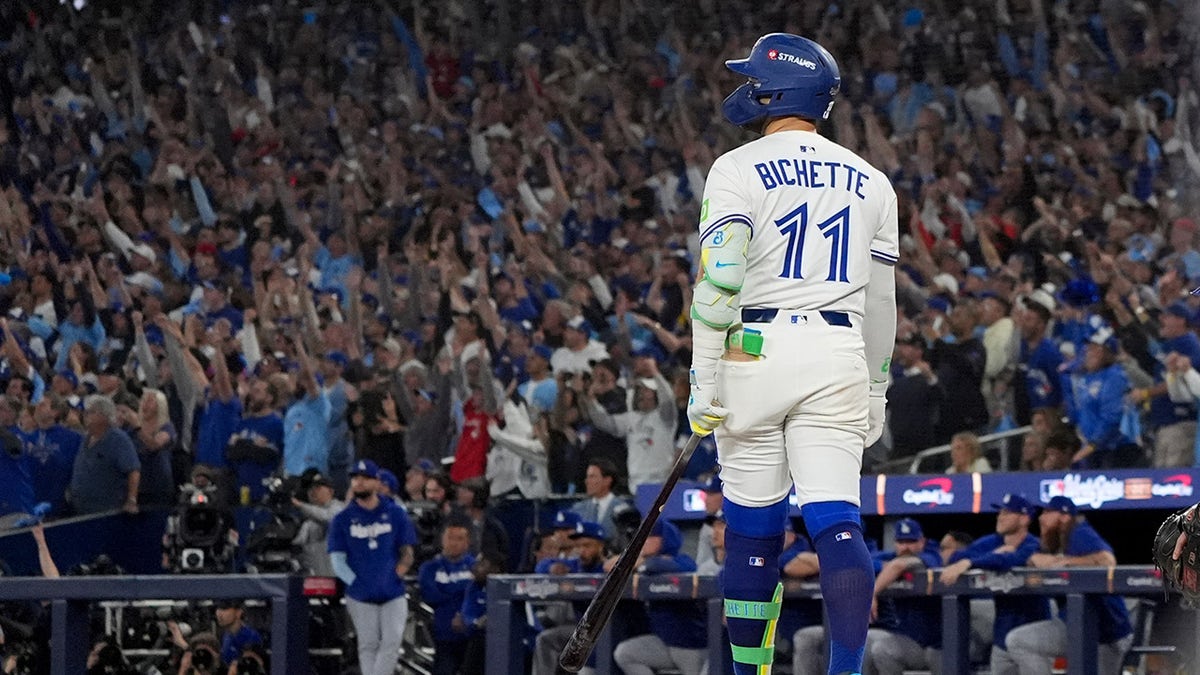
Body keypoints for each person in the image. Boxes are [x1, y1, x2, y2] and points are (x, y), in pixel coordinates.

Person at [686, 32, 897, 675]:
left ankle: (753, 671)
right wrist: (877, 387)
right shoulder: (873, 180)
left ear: (774, 90)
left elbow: (719, 280)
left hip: (751, 349)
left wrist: (703, 374)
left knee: (752, 536)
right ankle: (846, 669)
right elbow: (883, 305)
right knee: (837, 523)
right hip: (838, 347)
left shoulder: (736, 166)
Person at [1004, 496, 1132, 674]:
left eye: (1048, 513)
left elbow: (1108, 561)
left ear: (1064, 516)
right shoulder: (1053, 542)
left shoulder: (1078, 532)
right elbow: (1033, 558)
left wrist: (1064, 562)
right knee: (1019, 641)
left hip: (1107, 633)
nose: (1041, 518)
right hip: (1074, 625)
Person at [939, 494, 1051, 675]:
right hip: (1002, 638)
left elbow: (1014, 559)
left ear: (1024, 519)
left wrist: (971, 562)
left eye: (1007, 512)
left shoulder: (1034, 544)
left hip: (1033, 637)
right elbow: (954, 557)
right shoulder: (993, 542)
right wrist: (992, 554)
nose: (1000, 516)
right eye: (1000, 512)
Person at [327, 459, 417, 675]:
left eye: (365, 478)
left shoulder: (395, 513)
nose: (359, 483)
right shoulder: (342, 519)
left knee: (392, 641)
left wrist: (396, 574)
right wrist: (357, 582)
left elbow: (407, 552)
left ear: (377, 482)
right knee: (367, 644)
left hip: (392, 590)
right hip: (359, 593)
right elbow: (337, 560)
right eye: (356, 478)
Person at [611, 519, 708, 675]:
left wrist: (642, 563)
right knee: (625, 653)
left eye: (650, 537)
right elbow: (609, 565)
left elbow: (660, 566)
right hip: (664, 643)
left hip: (691, 646)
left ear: (665, 539)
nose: (643, 541)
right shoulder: (643, 565)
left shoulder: (683, 560)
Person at [864, 518, 943, 675]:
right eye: (901, 542)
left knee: (883, 649)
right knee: (861, 640)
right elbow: (861, 562)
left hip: (936, 644)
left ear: (921, 542)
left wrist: (871, 594)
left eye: (911, 541)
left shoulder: (931, 556)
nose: (905, 547)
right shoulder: (892, 557)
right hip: (907, 638)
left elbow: (899, 565)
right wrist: (882, 566)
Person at [418, 516, 477, 675]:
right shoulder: (429, 568)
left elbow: (477, 596)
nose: (454, 543)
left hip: (473, 636)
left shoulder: (477, 567)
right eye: (450, 538)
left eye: (460, 538)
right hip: (444, 635)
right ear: (442, 539)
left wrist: (449, 591)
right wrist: (462, 591)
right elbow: (431, 596)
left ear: (468, 542)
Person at [69, 395, 141, 515]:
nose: (86, 416)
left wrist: (131, 500)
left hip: (107, 509)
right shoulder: (86, 438)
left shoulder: (118, 439)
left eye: (91, 412)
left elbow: (133, 470)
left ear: (104, 416)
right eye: (85, 412)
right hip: (82, 509)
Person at [291, 472, 345, 576]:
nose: (313, 492)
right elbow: (297, 547)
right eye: (310, 489)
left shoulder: (340, 508)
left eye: (318, 488)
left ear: (331, 491)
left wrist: (300, 505)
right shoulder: (308, 523)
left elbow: (328, 518)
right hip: (316, 581)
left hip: (338, 579)